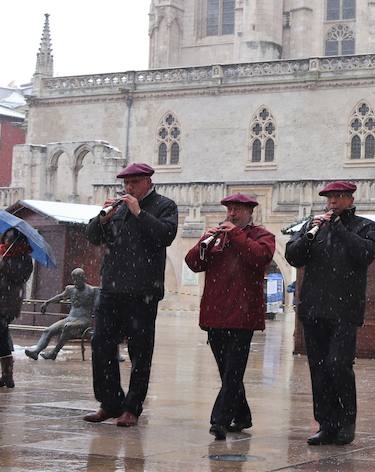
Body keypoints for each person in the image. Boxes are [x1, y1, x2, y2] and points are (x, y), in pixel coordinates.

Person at [285, 181, 375, 446]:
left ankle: (347, 421)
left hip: (344, 310)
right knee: (318, 368)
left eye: (338, 198)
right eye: (329, 199)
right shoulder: (313, 225)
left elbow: (364, 253)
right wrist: (308, 234)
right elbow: (293, 257)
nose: (332, 203)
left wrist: (338, 229)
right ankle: (326, 424)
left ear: (350, 199)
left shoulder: (366, 227)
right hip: (314, 308)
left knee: (339, 364)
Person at [84, 163, 178, 427]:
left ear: (147, 182)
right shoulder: (119, 207)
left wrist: (139, 213)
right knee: (101, 344)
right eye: (126, 183)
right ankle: (110, 402)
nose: (129, 187)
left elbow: (166, 235)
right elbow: (92, 236)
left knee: (140, 351)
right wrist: (101, 219)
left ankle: (132, 408)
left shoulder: (165, 206)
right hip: (111, 288)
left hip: (143, 291)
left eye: (134, 182)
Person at [184, 193, 275, 441]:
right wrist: (204, 241)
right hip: (215, 314)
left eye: (237, 210)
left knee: (233, 371)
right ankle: (243, 416)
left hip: (243, 315)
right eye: (229, 209)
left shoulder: (262, 236)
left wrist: (235, 234)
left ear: (250, 212)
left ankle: (219, 420)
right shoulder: (217, 237)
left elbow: (259, 257)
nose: (232, 214)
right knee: (228, 372)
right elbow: (193, 263)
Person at [25, 268, 99, 360]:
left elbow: (98, 305)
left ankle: (54, 353)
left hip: (83, 320)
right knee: (48, 330)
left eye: (77, 279)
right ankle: (36, 351)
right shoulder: (70, 289)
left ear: (83, 278)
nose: (75, 282)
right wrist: (47, 302)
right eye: (74, 279)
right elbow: (60, 297)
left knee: (67, 326)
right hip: (70, 318)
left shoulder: (92, 291)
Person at [0, 229, 34, 388]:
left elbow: (18, 276)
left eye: (10, 238)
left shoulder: (24, 258)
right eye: (6, 237)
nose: (7, 240)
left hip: (8, 303)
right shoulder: (3, 253)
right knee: (2, 337)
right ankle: (7, 375)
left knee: (2, 334)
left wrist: (3, 265)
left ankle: (8, 375)